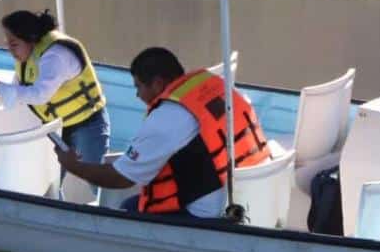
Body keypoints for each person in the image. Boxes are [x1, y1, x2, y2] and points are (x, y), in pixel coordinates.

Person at [56, 46, 270, 219]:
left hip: (201, 215)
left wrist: (73, 166)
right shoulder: (213, 86)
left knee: (124, 212)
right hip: (239, 200)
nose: (137, 95)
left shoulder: (166, 120)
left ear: (158, 83)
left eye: (139, 86)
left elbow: (121, 178)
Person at [0, 9, 111, 167]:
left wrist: (0, 89)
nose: (10, 51)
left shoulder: (56, 55)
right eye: (8, 44)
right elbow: (18, 92)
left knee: (92, 177)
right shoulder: (26, 56)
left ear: (31, 39)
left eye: (14, 44)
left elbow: (40, 94)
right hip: (57, 127)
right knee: (52, 182)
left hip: (87, 124)